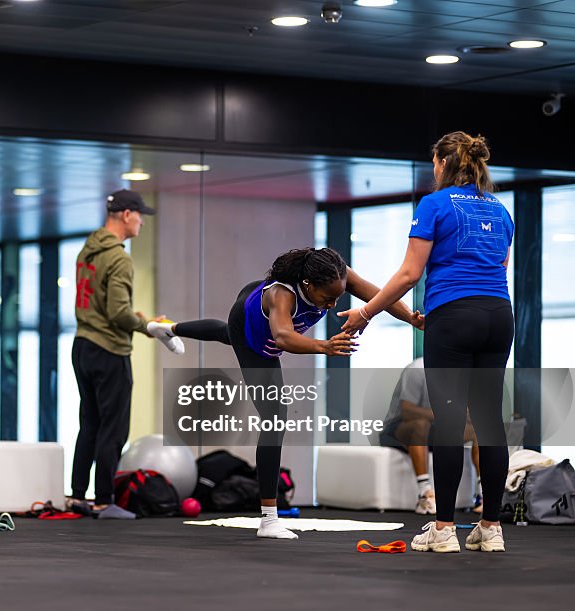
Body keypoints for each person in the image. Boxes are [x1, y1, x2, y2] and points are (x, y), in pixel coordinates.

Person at [148, 247, 422, 538]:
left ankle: (168, 328)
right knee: (274, 417)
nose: (332, 304)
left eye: (338, 296)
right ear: (307, 285)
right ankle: (268, 519)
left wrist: (412, 319)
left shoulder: (335, 274)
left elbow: (379, 295)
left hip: (253, 302)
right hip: (255, 332)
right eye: (326, 297)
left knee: (224, 333)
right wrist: (323, 346)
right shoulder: (282, 295)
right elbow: (282, 336)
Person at [340, 131, 513, 553]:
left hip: (453, 317)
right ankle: (490, 527)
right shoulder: (501, 209)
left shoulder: (434, 204)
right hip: (498, 315)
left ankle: (443, 529)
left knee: (449, 423)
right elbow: (499, 265)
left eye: (434, 162)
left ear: (441, 164)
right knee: (490, 422)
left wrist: (365, 312)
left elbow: (409, 274)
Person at [69, 189, 176, 519]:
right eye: (140, 215)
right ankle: (104, 501)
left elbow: (101, 305)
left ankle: (77, 496)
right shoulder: (118, 257)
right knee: (113, 427)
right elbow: (118, 313)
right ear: (127, 215)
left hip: (82, 345)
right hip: (108, 349)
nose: (142, 222)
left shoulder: (88, 250)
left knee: (90, 423)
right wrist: (149, 325)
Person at [380, 357, 482, 515]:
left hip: (435, 427)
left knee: (478, 431)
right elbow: (407, 412)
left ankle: (484, 495)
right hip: (398, 428)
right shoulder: (417, 369)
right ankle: (424, 493)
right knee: (420, 424)